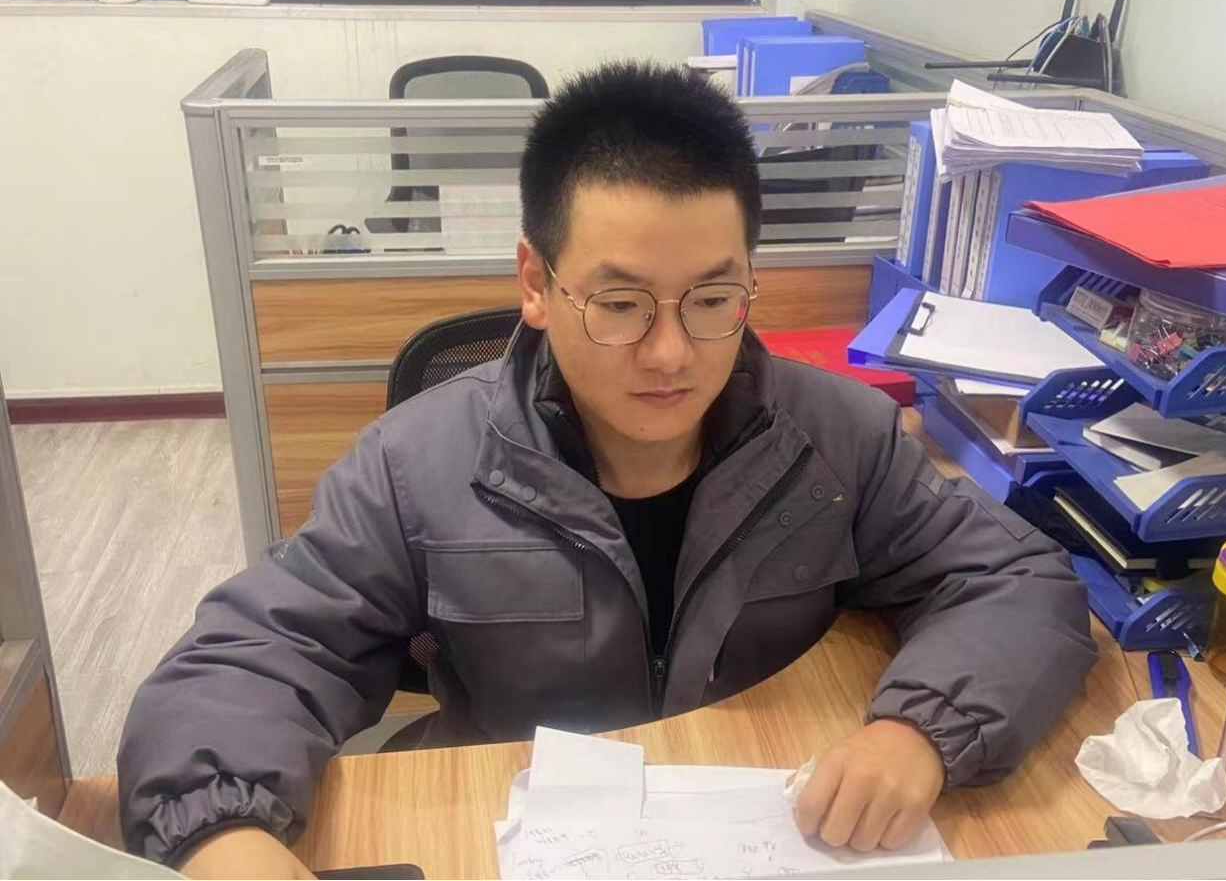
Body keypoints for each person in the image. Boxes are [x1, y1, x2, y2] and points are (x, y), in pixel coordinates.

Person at [118, 62, 1096, 879]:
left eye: (712, 299)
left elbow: (1014, 579)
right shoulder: (416, 465)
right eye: (621, 304)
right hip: (510, 830)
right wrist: (224, 836)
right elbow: (256, 653)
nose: (671, 353)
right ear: (536, 283)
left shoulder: (836, 437)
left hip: (773, 825)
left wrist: (921, 731)